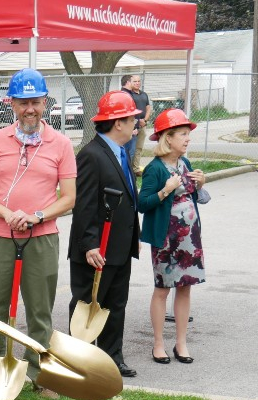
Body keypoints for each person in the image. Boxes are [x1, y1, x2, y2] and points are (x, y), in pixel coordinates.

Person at [0, 68, 76, 399]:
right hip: (0, 236)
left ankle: (42, 375)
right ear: (11, 104)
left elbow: (69, 197)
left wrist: (37, 216)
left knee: (40, 308)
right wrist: (8, 214)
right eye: (23, 102)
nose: (30, 109)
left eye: (36, 102)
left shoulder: (61, 144)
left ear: (46, 104)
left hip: (41, 238)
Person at [69, 91, 141, 379]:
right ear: (117, 123)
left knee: (115, 304)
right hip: (95, 250)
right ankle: (79, 361)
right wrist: (89, 244)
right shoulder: (91, 155)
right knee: (88, 303)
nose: (136, 123)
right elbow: (83, 204)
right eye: (131, 119)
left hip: (121, 246)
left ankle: (112, 358)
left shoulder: (121, 152)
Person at [138, 108, 206, 365]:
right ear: (168, 138)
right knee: (162, 290)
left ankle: (181, 343)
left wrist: (201, 183)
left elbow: (195, 197)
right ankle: (158, 344)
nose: (188, 139)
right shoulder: (155, 169)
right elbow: (142, 203)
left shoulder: (185, 164)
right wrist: (165, 191)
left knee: (185, 288)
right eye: (183, 134)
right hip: (166, 239)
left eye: (188, 134)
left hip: (189, 238)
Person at [120, 74, 152, 176]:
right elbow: (130, 112)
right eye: (134, 81)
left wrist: (144, 121)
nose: (137, 83)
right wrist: (136, 124)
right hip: (133, 126)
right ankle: (127, 171)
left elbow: (148, 108)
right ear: (129, 82)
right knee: (129, 150)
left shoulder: (143, 94)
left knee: (138, 148)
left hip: (141, 125)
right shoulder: (127, 95)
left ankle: (135, 168)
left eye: (139, 81)